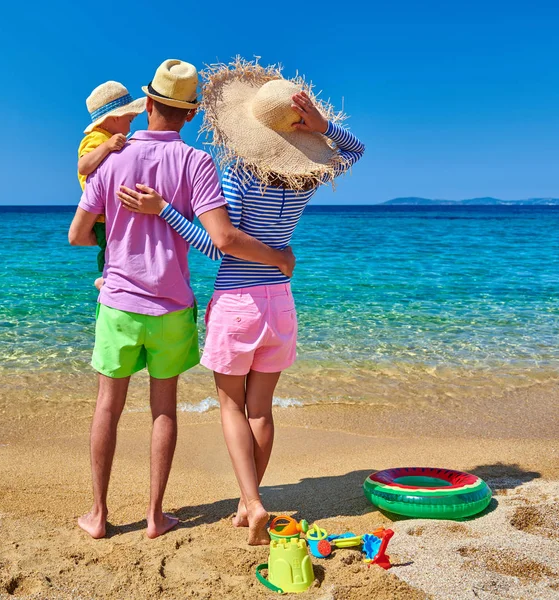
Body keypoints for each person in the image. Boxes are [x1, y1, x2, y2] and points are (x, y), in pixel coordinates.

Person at [117, 59, 365, 545]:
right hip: (280, 303)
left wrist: (162, 209)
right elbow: (355, 151)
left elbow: (218, 243)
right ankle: (244, 501)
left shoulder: (241, 174)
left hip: (237, 300)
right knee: (261, 411)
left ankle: (252, 503)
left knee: (230, 407)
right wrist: (323, 127)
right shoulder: (307, 178)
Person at [68, 59, 295, 540]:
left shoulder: (112, 159)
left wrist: (113, 242)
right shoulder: (197, 163)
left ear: (146, 104)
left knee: (107, 406)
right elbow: (216, 242)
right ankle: (155, 516)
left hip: (119, 303)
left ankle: (98, 514)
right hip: (172, 305)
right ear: (190, 115)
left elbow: (77, 235)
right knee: (164, 410)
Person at [77, 81, 146, 290]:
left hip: (108, 212)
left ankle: (111, 279)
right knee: (112, 250)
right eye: (129, 118)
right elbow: (83, 166)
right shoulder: (97, 138)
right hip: (100, 215)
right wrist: (106, 146)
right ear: (115, 117)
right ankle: (106, 281)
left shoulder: (112, 138)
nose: (131, 122)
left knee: (119, 250)